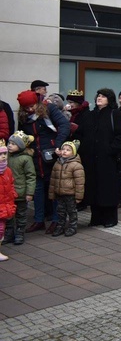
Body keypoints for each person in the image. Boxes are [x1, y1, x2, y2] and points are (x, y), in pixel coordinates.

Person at [17, 89, 70, 235]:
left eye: (32, 106)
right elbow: (21, 135)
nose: (30, 109)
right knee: (38, 190)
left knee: (53, 189)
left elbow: (65, 125)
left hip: (51, 155)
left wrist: (57, 144)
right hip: (34, 157)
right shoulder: (23, 116)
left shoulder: (50, 109)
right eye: (26, 108)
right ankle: (39, 220)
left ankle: (55, 219)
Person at [78, 88, 121, 228]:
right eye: (98, 96)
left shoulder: (115, 114)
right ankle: (96, 217)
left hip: (108, 159)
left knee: (108, 189)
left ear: (109, 99)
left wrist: (110, 150)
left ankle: (110, 218)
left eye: (103, 96)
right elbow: (81, 134)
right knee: (93, 188)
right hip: (91, 159)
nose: (99, 98)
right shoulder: (89, 115)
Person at [4, 132, 35, 245]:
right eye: (9, 143)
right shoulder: (6, 156)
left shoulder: (26, 159)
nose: (9, 145)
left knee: (21, 214)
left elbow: (31, 177)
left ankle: (20, 232)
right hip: (8, 193)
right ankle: (9, 233)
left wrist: (29, 193)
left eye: (13, 144)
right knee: (9, 215)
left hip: (21, 193)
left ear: (21, 146)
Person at [48, 140, 85, 237]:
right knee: (60, 211)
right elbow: (53, 180)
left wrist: (78, 196)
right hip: (59, 193)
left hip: (70, 193)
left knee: (72, 211)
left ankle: (72, 227)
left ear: (73, 152)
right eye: (63, 149)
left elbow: (80, 182)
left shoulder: (76, 165)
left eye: (68, 150)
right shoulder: (57, 163)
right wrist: (52, 194)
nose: (64, 151)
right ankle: (60, 226)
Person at [0, 140, 16, 262]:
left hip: (4, 204)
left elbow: (10, 184)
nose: (3, 156)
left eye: (5, 154)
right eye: (0, 154)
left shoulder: (8, 171)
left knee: (1, 229)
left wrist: (12, 195)